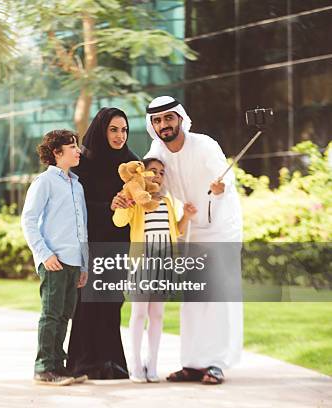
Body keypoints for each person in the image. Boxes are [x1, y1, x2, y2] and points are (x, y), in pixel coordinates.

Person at [144, 95, 244, 385]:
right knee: (193, 297)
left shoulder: (205, 144)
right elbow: (149, 181)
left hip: (221, 226)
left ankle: (216, 363)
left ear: (179, 118)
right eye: (158, 120)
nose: (164, 124)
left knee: (219, 296)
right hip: (190, 228)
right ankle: (192, 363)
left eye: (168, 118)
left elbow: (227, 180)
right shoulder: (156, 151)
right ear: (153, 125)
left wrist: (221, 185)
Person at [66, 107, 139, 379]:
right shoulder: (81, 162)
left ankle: (111, 363)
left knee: (111, 301)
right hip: (89, 241)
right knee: (86, 302)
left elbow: (141, 201)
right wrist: (108, 205)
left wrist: (129, 203)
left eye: (124, 130)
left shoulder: (131, 164)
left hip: (119, 243)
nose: (120, 136)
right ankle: (82, 363)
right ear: (101, 129)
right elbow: (74, 204)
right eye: (114, 129)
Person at [112, 157, 197, 383]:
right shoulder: (136, 198)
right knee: (139, 313)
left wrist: (186, 217)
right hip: (142, 262)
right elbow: (119, 221)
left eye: (161, 172)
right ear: (142, 174)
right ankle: (136, 365)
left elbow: (175, 232)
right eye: (153, 171)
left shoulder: (167, 203)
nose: (157, 176)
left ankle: (153, 364)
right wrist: (123, 203)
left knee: (157, 315)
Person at [21, 129, 89, 386]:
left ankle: (58, 367)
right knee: (50, 314)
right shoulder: (44, 182)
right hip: (53, 260)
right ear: (56, 153)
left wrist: (84, 263)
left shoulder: (77, 185)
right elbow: (28, 221)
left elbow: (82, 226)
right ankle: (44, 367)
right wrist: (44, 254)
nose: (77, 151)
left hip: (73, 262)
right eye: (72, 146)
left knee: (63, 315)